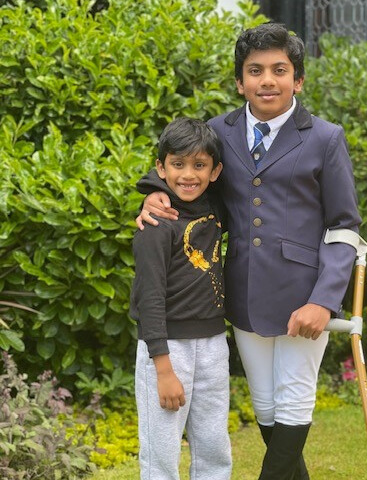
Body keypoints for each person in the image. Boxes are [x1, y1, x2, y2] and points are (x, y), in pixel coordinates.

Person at [136, 23, 362, 480]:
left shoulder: (325, 138)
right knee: (264, 404)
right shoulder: (220, 131)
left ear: (297, 79)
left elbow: (344, 227)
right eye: (255, 71)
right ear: (240, 81)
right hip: (242, 294)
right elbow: (188, 171)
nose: (267, 80)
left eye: (279, 70)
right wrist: (153, 191)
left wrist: (323, 300)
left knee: (294, 396)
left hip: (305, 295)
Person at [130, 117, 231, 480]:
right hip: (167, 349)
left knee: (214, 446)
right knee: (162, 451)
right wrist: (163, 368)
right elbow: (149, 299)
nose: (189, 175)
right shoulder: (155, 226)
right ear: (162, 167)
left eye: (199, 165)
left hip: (214, 344)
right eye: (178, 164)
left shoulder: (216, 208)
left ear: (215, 171)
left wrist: (150, 185)